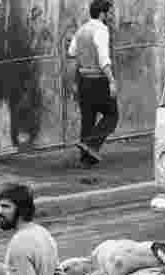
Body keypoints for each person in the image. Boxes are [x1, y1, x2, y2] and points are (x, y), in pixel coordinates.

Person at [68, 0, 119, 167]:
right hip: (98, 80)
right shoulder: (101, 30)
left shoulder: (81, 30)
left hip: (84, 80)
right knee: (112, 115)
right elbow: (104, 59)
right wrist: (111, 80)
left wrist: (75, 82)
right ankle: (91, 144)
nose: (110, 16)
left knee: (88, 119)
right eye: (109, 12)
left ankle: (85, 159)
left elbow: (72, 53)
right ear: (103, 13)